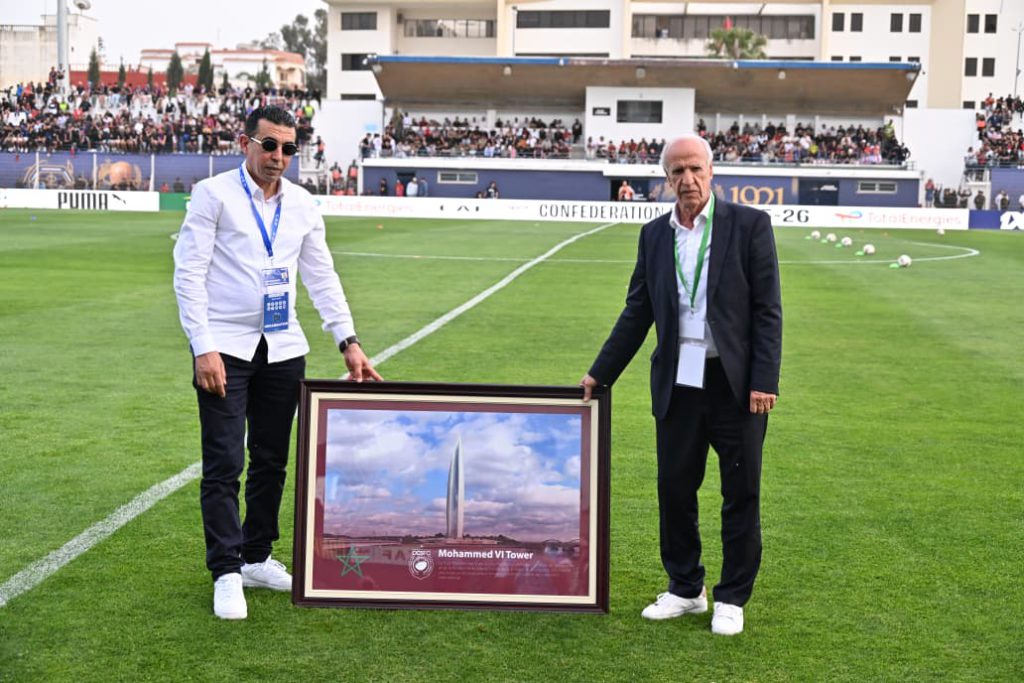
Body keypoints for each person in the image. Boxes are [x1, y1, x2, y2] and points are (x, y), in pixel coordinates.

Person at [172, 106, 381, 621]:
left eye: (288, 148)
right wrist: (202, 345)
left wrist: (348, 341)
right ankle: (226, 571)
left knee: (271, 460)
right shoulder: (213, 194)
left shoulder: (304, 204)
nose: (278, 156)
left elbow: (322, 276)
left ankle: (256, 556)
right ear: (246, 143)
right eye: (269, 145)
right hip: (225, 347)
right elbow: (189, 273)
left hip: (284, 348)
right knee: (225, 462)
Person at [579, 134, 781, 636]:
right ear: (665, 179)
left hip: (736, 385)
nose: (687, 180)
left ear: (711, 172)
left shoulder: (750, 225)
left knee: (741, 491)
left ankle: (731, 598)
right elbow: (638, 311)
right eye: (677, 172)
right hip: (678, 381)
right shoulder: (654, 236)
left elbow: (767, 310)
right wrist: (600, 373)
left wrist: (764, 380)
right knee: (674, 488)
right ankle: (686, 588)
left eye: (695, 169)